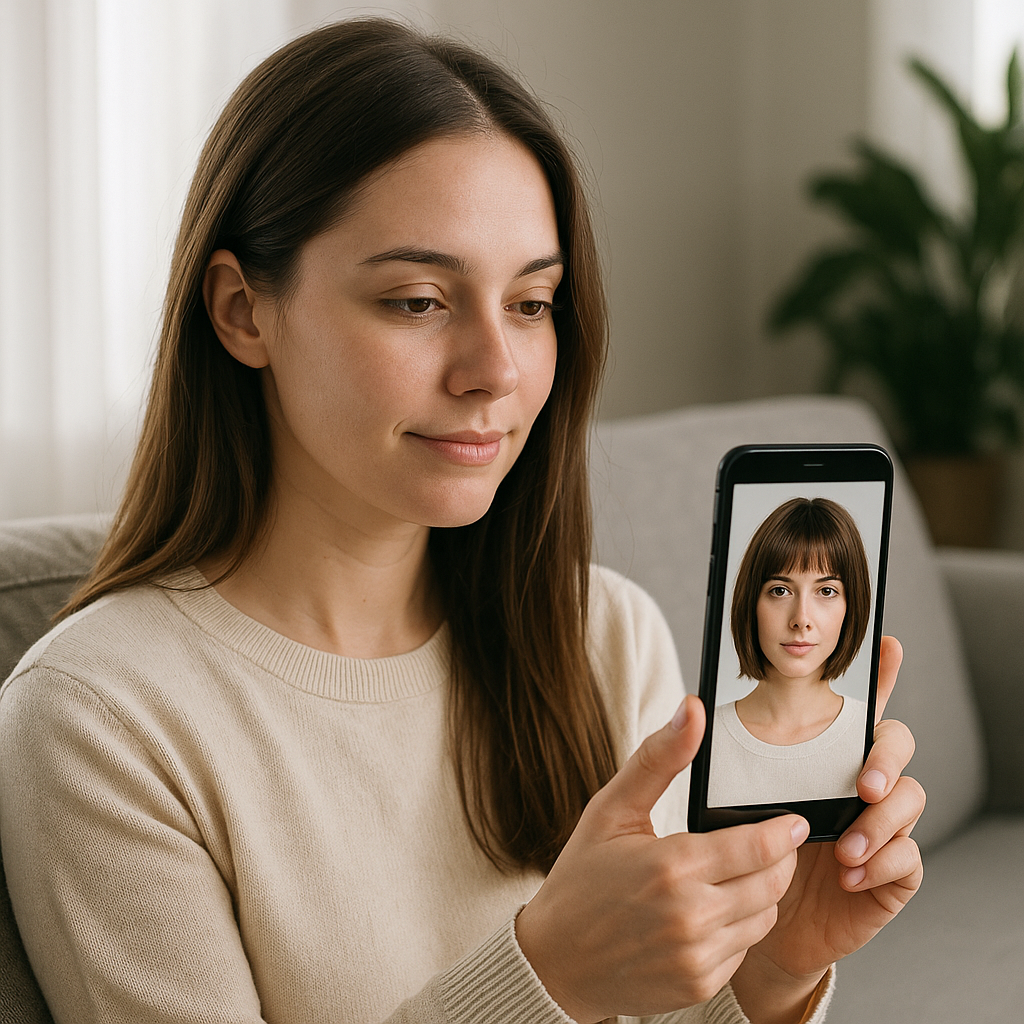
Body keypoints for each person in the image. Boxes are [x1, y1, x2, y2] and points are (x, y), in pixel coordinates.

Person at [0, 19, 924, 1024]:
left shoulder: (602, 635)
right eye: (417, 301)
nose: (496, 370)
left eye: (531, 304)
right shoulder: (100, 720)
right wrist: (545, 977)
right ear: (241, 310)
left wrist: (770, 971)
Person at [708, 498, 875, 807]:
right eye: (780, 590)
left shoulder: (873, 736)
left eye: (826, 591)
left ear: (852, 606)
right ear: (751, 602)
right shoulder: (703, 740)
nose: (801, 619)